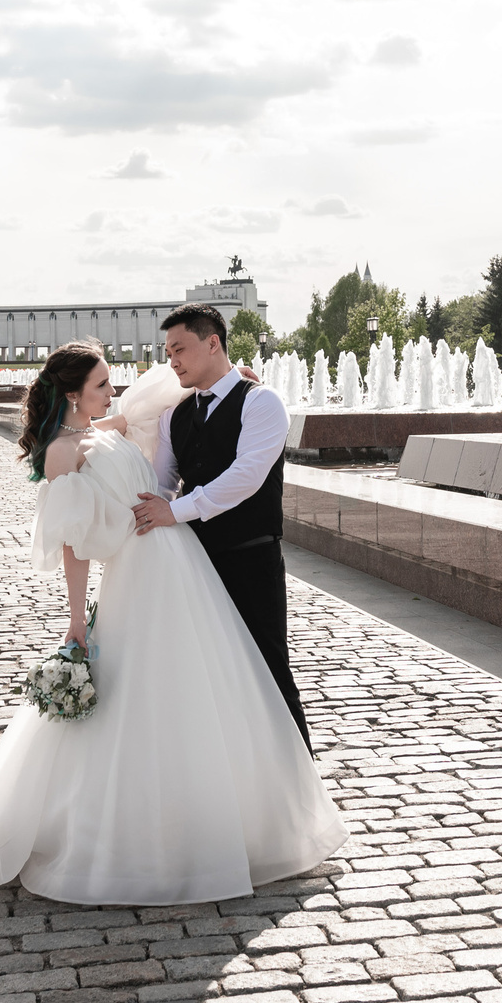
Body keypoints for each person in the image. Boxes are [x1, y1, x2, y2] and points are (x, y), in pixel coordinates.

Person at [0, 339, 343, 914]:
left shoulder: (106, 426)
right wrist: (77, 617)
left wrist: (234, 374)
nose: (115, 392)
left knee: (200, 687)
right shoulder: (64, 451)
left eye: (111, 383)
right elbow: (73, 543)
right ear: (73, 394)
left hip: (181, 565)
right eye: (104, 384)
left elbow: (160, 392)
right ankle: (141, 833)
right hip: (138, 576)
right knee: (142, 697)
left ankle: (221, 811)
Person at [131, 306, 307, 746]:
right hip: (193, 562)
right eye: (167, 351)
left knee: (267, 667)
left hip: (251, 557)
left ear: (213, 343)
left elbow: (247, 476)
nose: (172, 361)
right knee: (207, 674)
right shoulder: (174, 415)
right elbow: (164, 479)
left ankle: (299, 782)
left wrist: (175, 510)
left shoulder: (262, 402)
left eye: (179, 349)